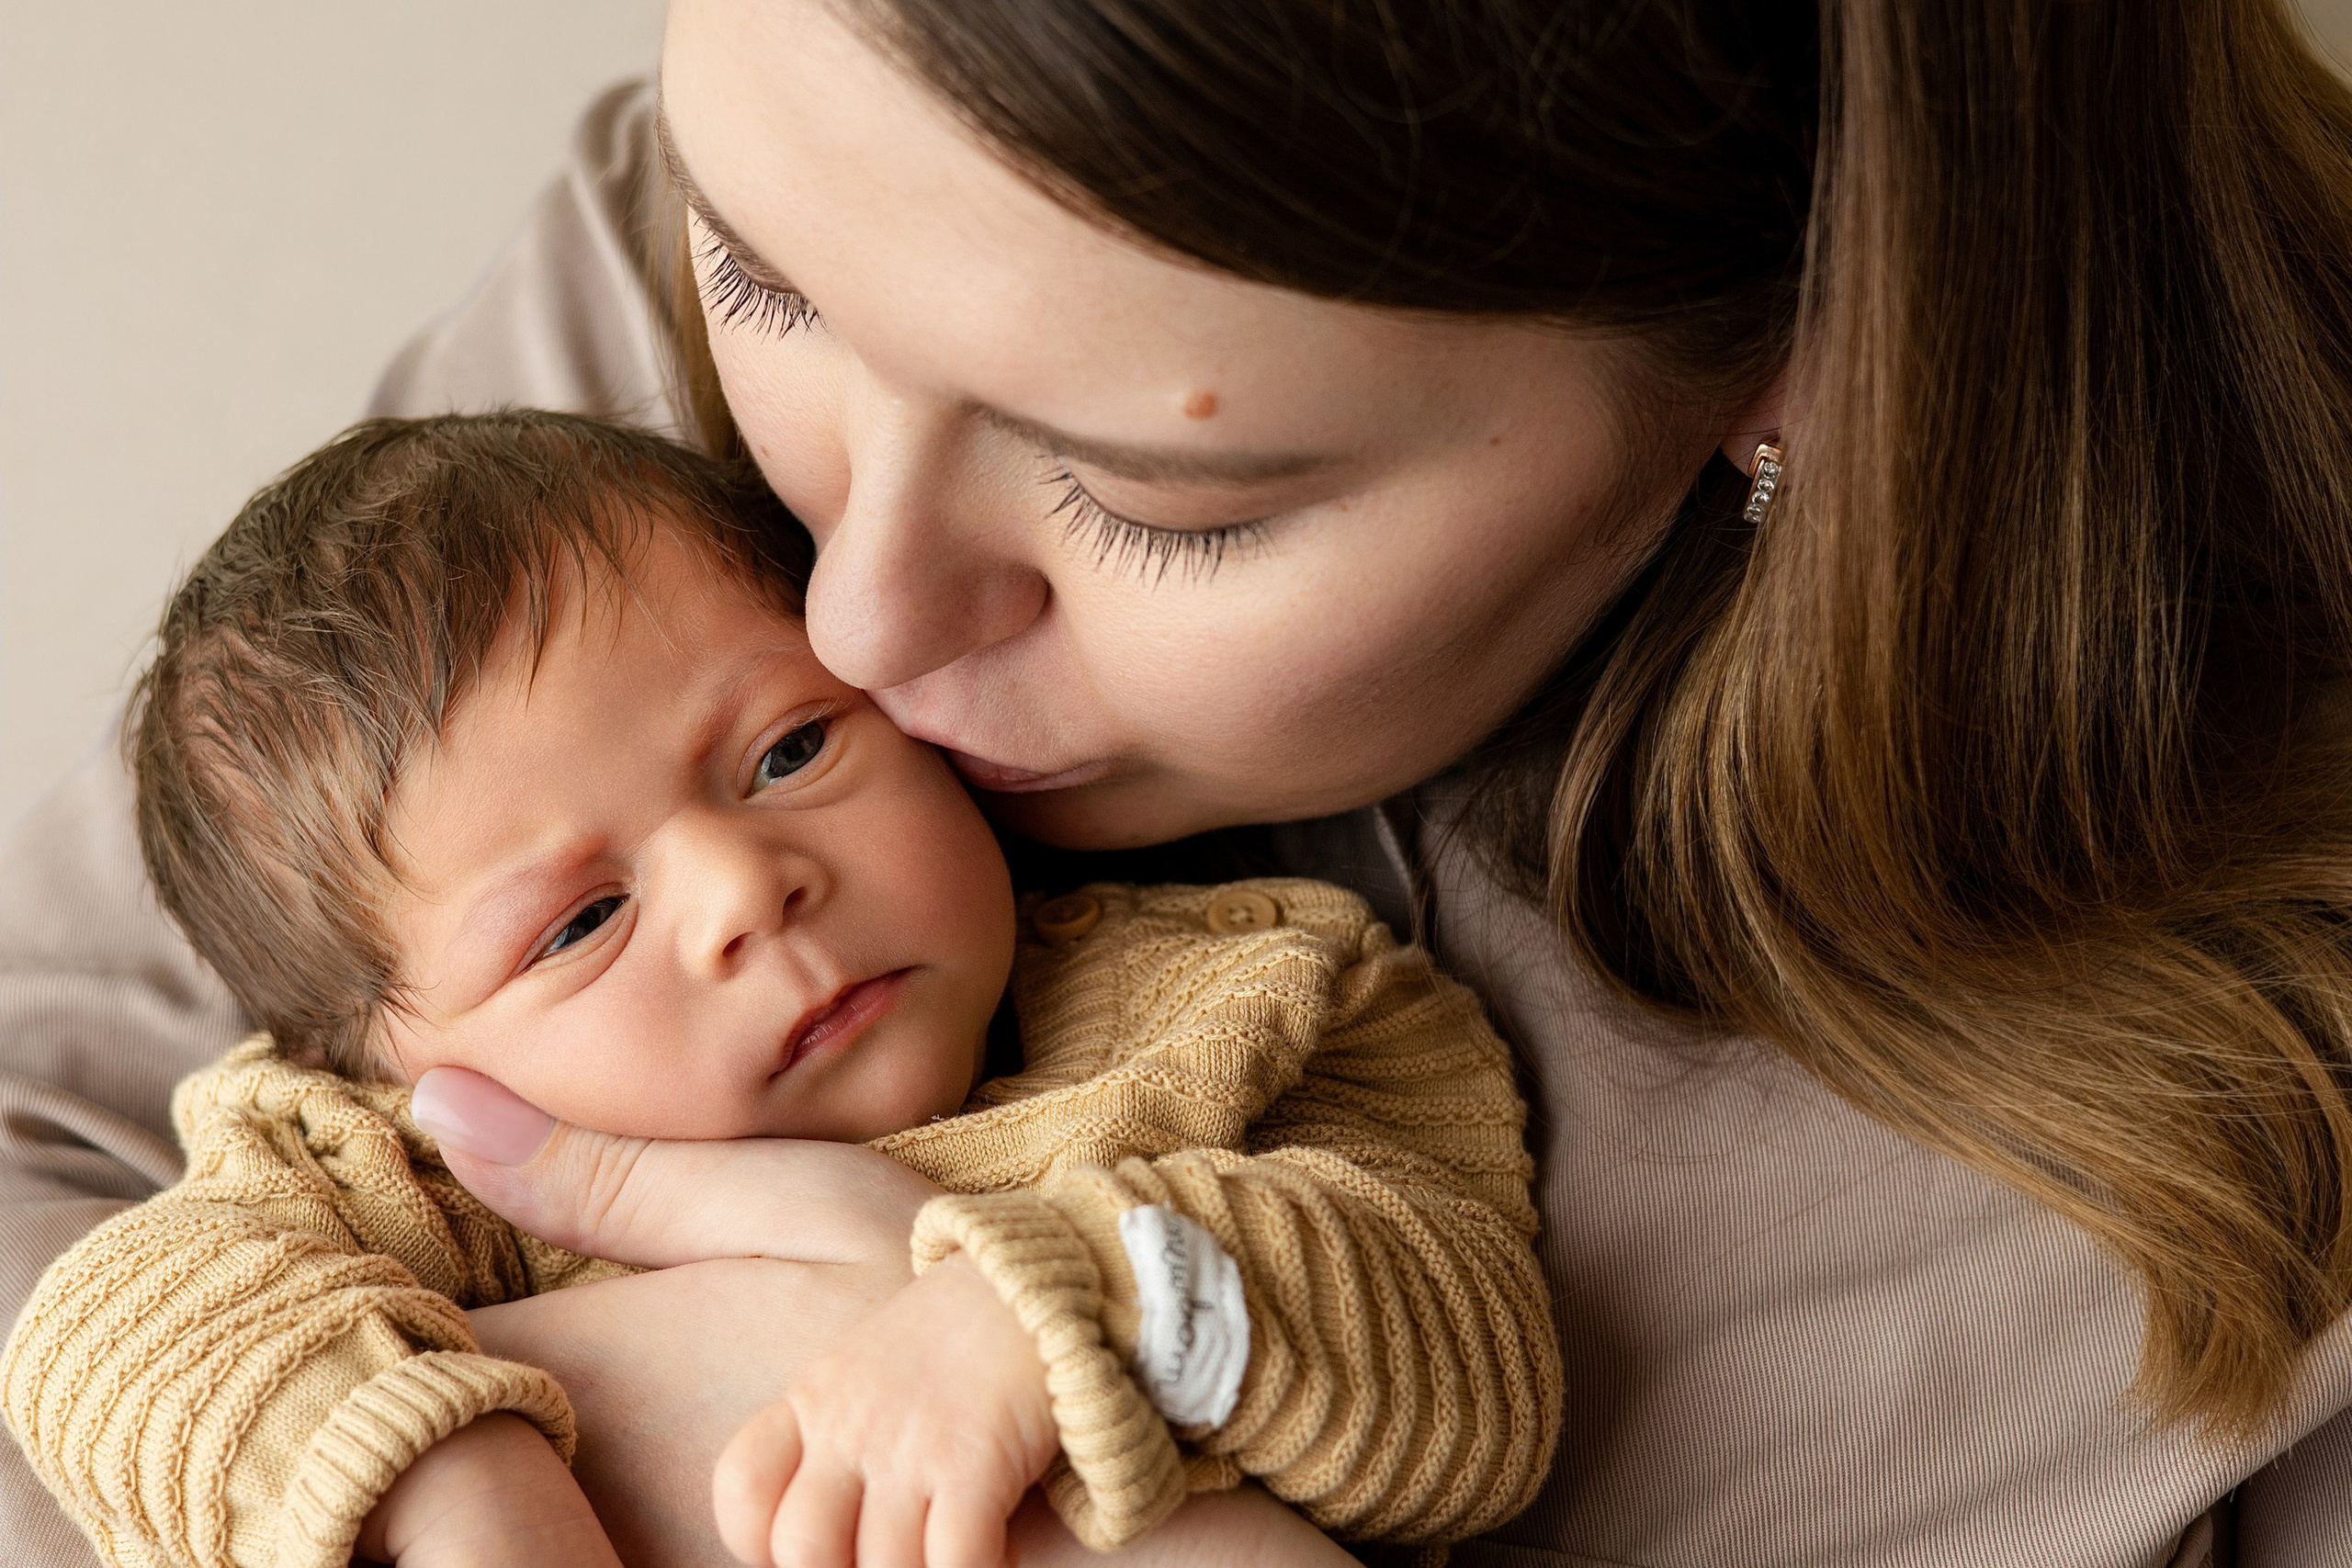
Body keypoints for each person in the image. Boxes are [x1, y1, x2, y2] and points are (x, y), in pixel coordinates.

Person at [0, 0, 2348, 1563]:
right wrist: (529, 1434)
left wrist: (987, 1350)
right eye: (760, 281)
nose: (853, 628)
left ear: (1804, 354)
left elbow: (1416, 1340)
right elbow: (60, 1176)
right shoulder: (797, 236)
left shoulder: (1256, 1013)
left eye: (1162, 503)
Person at [2, 412, 1554, 1568]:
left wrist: (1071, 1304)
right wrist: (445, 1476)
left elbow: (1481, 1379)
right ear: (386, 1059)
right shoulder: (414, 1176)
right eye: (581, 922)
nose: (748, 890)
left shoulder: (1252, 1008)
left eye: (791, 751)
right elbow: (100, 1333)